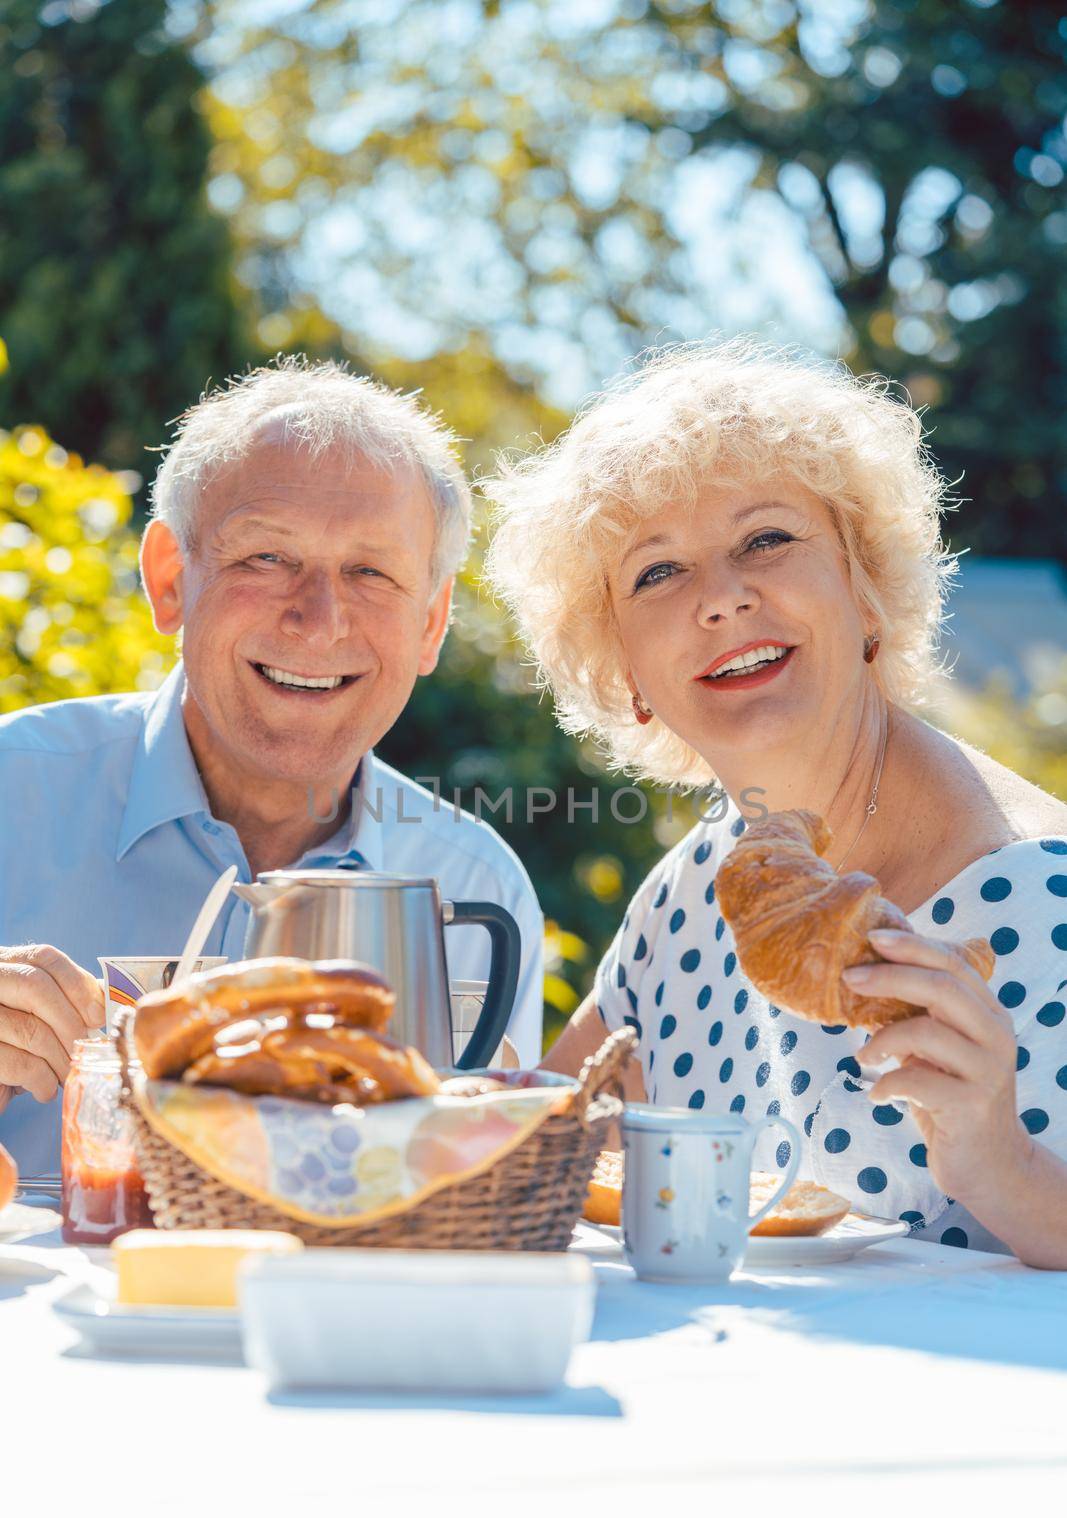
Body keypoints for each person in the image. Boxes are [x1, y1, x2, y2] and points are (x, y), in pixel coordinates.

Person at [485, 339, 1067, 1268]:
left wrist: (1001, 1164)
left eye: (766, 539)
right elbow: (536, 1145)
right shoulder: (694, 893)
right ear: (625, 671)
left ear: (865, 587)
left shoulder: (1045, 900)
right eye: (656, 573)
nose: (720, 598)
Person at [0, 359, 543, 1175]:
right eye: (266, 558)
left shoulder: (477, 889)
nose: (320, 620)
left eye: (370, 572)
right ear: (171, 580)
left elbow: (470, 1216)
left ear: (431, 623)